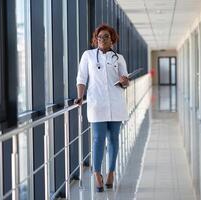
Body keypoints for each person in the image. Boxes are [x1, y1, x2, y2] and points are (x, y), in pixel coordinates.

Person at [75, 24, 129, 192]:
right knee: (98, 139)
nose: (102, 40)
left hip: (116, 103)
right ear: (95, 39)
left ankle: (111, 172)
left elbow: (125, 80)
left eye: (106, 37)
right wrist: (80, 96)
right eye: (99, 37)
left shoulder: (118, 58)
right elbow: (82, 78)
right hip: (96, 103)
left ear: (112, 39)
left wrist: (124, 81)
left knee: (114, 139)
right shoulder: (88, 56)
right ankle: (97, 173)